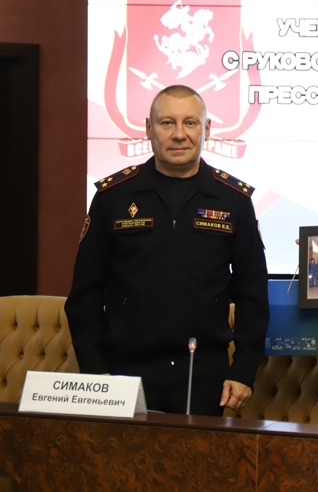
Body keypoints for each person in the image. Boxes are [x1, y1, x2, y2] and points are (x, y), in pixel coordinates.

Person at [65, 85, 269, 416]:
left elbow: (253, 295)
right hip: (123, 371)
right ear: (149, 128)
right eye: (167, 123)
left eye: (190, 122)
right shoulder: (113, 197)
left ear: (206, 129)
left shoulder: (233, 200)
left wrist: (244, 369)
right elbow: (84, 294)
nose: (178, 134)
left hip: (204, 374)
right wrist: (94, 370)